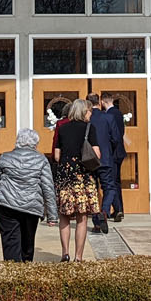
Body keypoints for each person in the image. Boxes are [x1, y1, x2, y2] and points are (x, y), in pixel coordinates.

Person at [0, 127, 59, 262]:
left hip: (6, 205)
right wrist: (52, 216)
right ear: (35, 144)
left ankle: (12, 271)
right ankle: (25, 270)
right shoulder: (41, 160)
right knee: (27, 244)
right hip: (31, 207)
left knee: (10, 242)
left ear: (17, 141)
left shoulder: (5, 157)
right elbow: (48, 188)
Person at [50, 98, 100, 262]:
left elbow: (57, 155)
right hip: (83, 176)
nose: (91, 113)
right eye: (89, 110)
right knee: (82, 217)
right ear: (84, 112)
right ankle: (78, 256)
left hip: (65, 176)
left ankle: (65, 253)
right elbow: (97, 154)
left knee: (64, 215)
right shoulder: (89, 128)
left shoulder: (62, 128)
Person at [89, 91, 128, 233]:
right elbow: (116, 138)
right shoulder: (108, 117)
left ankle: (97, 222)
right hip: (105, 158)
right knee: (109, 187)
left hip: (89, 160)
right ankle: (104, 211)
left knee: (92, 190)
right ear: (99, 102)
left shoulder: (86, 118)